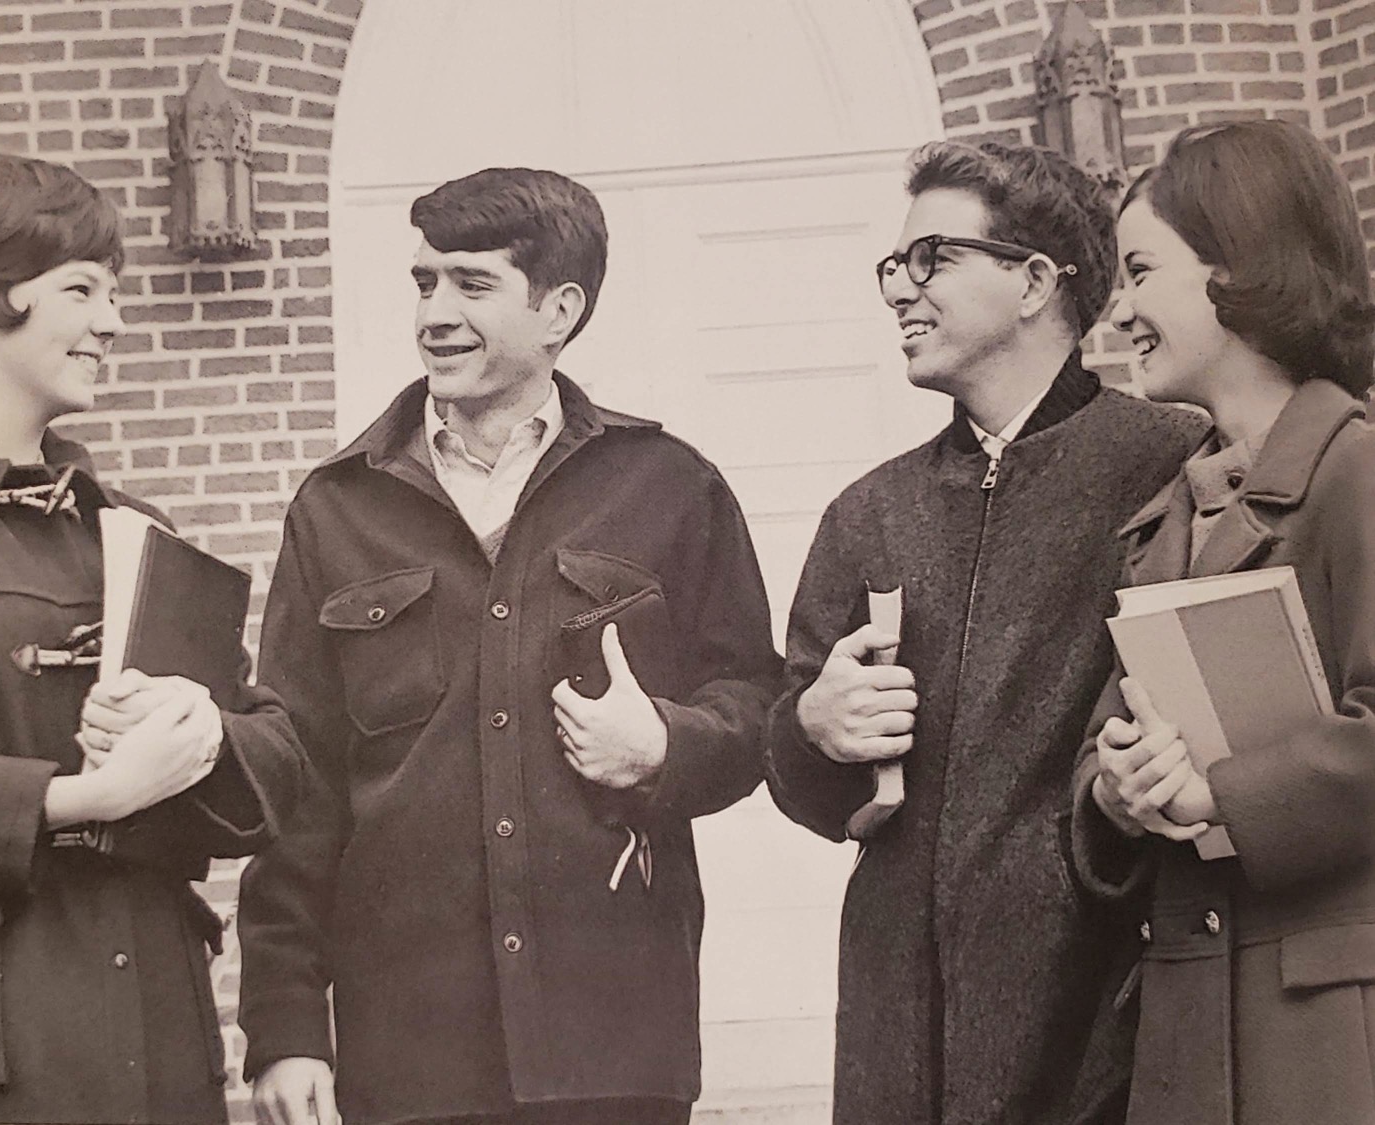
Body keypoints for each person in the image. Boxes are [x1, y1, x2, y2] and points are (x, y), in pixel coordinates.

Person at [237, 166, 782, 1125]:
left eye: (471, 283)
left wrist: (663, 745)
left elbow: (757, 706)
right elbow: (298, 776)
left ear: (560, 308)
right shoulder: (337, 510)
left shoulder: (668, 487)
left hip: (613, 1037)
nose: (434, 313)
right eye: (423, 282)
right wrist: (283, 1023)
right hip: (408, 1047)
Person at [764, 140, 1207, 1125]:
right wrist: (812, 729)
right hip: (897, 1035)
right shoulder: (868, 513)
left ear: (1035, 282)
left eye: (933, 258)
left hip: (1101, 1019)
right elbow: (795, 775)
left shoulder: (1173, 468)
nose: (898, 290)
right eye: (894, 264)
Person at [0, 152, 306, 1124]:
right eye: (83, 290)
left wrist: (200, 726)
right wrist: (79, 798)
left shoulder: (131, 532)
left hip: (156, 1057)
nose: (112, 322)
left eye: (113, 293)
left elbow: (278, 760)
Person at [1072, 120, 1375, 1125]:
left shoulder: (1357, 475)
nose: (1118, 313)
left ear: (1238, 269)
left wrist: (1219, 793)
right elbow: (1112, 738)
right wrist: (1116, 787)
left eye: (1141, 271)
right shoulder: (1168, 513)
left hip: (1330, 1043)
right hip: (1185, 1030)